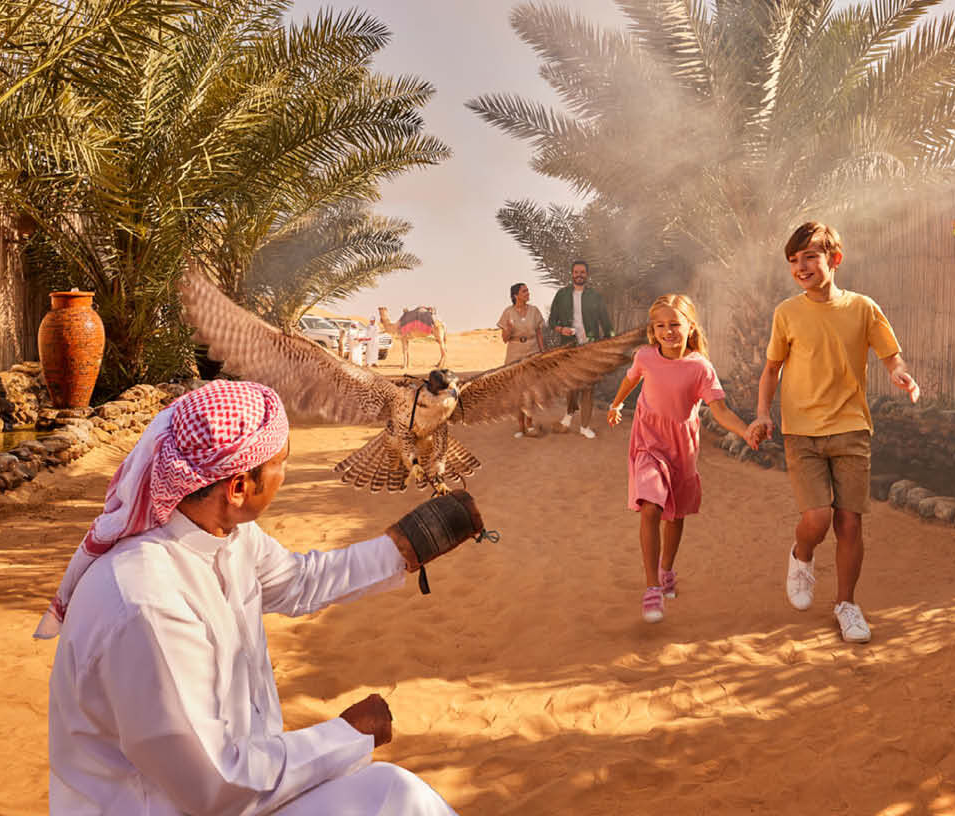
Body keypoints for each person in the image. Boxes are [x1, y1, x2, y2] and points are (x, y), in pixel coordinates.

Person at [39, 379, 485, 815]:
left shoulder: (224, 536)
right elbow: (217, 784)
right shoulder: (147, 605)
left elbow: (298, 581)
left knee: (393, 796)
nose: (285, 474)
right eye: (281, 463)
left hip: (242, 790)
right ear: (238, 489)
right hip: (186, 803)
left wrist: (405, 547)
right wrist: (348, 734)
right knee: (395, 797)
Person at [747, 222, 918, 644]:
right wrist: (760, 414)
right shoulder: (787, 313)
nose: (800, 267)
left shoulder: (862, 307)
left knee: (849, 523)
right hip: (801, 430)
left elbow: (890, 355)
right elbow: (772, 369)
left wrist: (902, 376)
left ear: (834, 259)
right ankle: (801, 555)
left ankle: (846, 605)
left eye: (809, 257)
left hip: (851, 427)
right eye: (793, 260)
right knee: (817, 518)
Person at [604, 295, 757, 623]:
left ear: (690, 327)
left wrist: (744, 432)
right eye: (660, 325)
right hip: (648, 441)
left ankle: (667, 569)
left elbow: (721, 410)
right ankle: (651, 588)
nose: (668, 331)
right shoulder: (645, 356)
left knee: (674, 516)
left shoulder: (700, 366)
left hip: (681, 448)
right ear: (652, 330)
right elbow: (631, 379)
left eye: (675, 324)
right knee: (651, 507)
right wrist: (616, 405)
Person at [545, 260, 615, 439]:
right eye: (576, 272)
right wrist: (561, 330)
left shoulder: (595, 296)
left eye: (582, 272)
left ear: (587, 275)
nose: (579, 275)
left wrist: (610, 343)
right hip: (569, 348)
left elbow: (606, 323)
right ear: (572, 274)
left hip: (590, 348)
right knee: (571, 386)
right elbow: (552, 321)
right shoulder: (561, 295)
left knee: (588, 388)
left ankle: (584, 426)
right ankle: (569, 413)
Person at [497, 282, 546, 438]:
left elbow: (539, 333)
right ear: (515, 295)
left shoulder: (534, 311)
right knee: (517, 391)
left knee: (531, 390)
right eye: (524, 291)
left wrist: (542, 353)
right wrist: (509, 329)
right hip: (515, 352)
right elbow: (504, 339)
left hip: (532, 351)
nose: (528, 293)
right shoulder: (508, 312)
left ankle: (530, 424)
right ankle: (520, 427)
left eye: (527, 291)